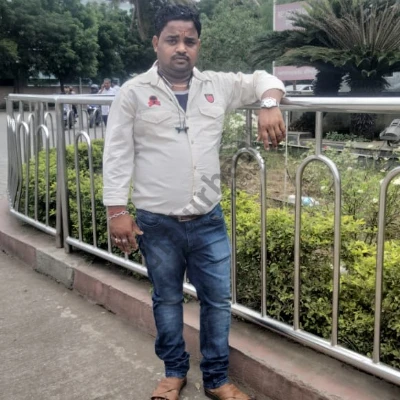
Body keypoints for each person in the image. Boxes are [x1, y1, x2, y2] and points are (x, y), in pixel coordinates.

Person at [103, 5, 285, 400]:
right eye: (172, 39)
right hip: (157, 222)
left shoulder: (216, 85)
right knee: (167, 299)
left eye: (190, 40)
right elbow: (117, 152)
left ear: (199, 45)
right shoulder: (134, 92)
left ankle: (216, 379)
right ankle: (173, 373)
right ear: (156, 43)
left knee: (217, 301)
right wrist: (116, 210)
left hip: (207, 219)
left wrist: (269, 104)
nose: (181, 48)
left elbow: (264, 78)